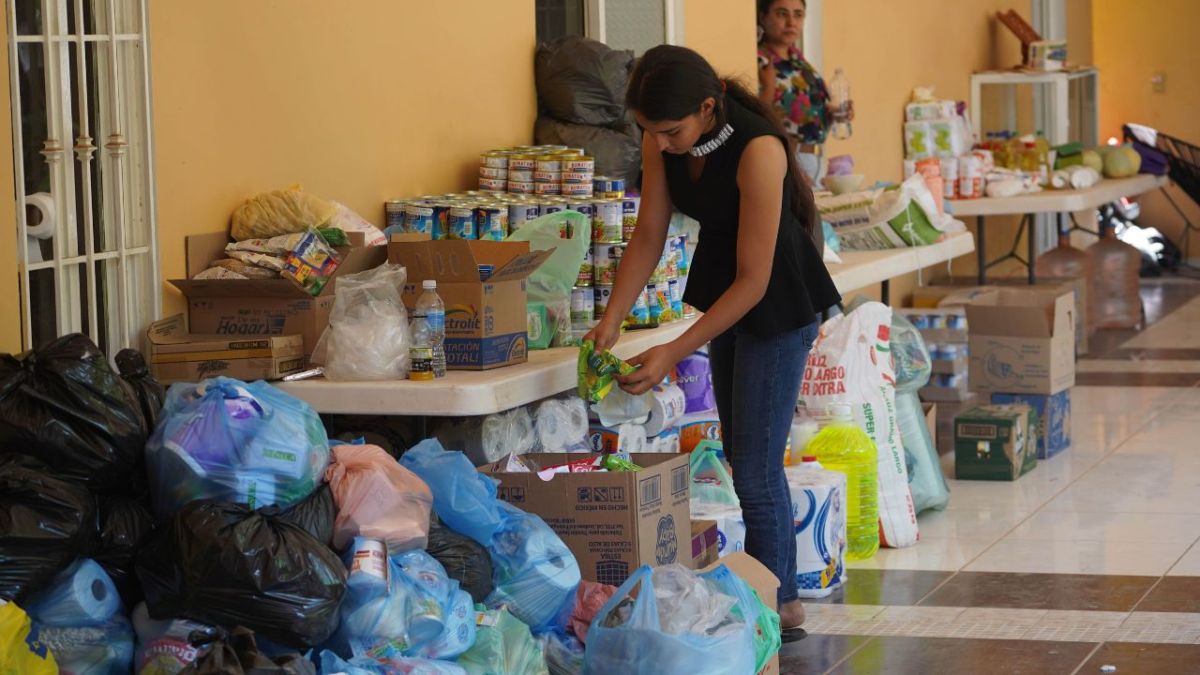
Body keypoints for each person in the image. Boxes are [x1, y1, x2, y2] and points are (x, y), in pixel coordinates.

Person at [585, 44, 840, 641]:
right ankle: (774, 597)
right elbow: (649, 233)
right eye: (650, 132)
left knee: (754, 466)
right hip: (731, 296)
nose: (662, 143)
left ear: (707, 107)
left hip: (777, 303)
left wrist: (673, 351)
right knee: (741, 454)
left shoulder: (758, 150)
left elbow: (756, 281)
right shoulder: (663, 140)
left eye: (671, 131)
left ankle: (777, 604)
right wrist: (612, 318)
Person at [756, 0, 850, 184]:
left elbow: (806, 112)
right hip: (784, 158)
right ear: (762, 17)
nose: (791, 22)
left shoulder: (800, 63)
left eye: (798, 15)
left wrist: (831, 113)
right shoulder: (759, 62)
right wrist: (769, 88)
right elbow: (753, 118)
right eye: (782, 14)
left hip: (815, 158)